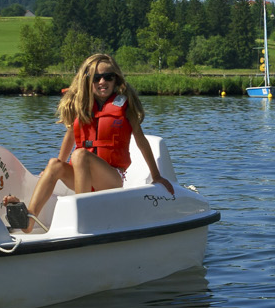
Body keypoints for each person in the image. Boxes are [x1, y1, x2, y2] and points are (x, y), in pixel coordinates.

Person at [24, 54, 175, 223]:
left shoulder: (125, 108)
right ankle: (28, 220)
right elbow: (70, 137)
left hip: (111, 178)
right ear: (88, 81)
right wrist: (58, 165)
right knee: (54, 164)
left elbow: (141, 142)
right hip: (82, 177)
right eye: (97, 78)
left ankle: (83, 215)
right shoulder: (83, 107)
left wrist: (156, 176)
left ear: (116, 79)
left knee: (80, 155)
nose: (102, 82)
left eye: (108, 77)